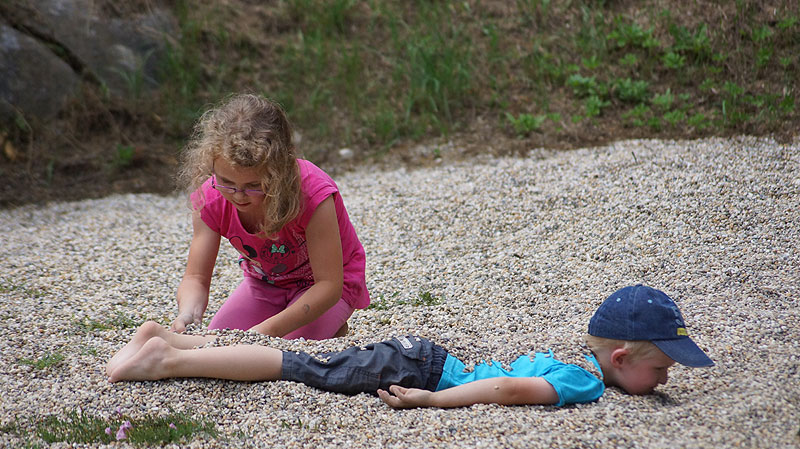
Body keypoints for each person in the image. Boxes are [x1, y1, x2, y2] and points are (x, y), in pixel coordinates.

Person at [107, 285, 714, 408]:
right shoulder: (585, 383)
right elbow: (508, 389)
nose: (666, 378)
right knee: (299, 367)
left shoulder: (578, 362)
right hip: (423, 370)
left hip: (423, 357)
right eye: (662, 366)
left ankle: (172, 338)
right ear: (620, 359)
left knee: (313, 363)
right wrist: (433, 402)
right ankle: (171, 360)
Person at [170, 93, 369, 340]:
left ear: (280, 171)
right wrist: (188, 313)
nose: (239, 195)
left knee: (278, 351)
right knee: (217, 342)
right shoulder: (210, 199)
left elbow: (328, 285)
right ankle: (325, 328)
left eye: (254, 185)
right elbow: (196, 277)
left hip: (328, 285)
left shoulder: (312, 194)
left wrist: (266, 332)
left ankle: (328, 324)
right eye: (227, 182)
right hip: (265, 284)